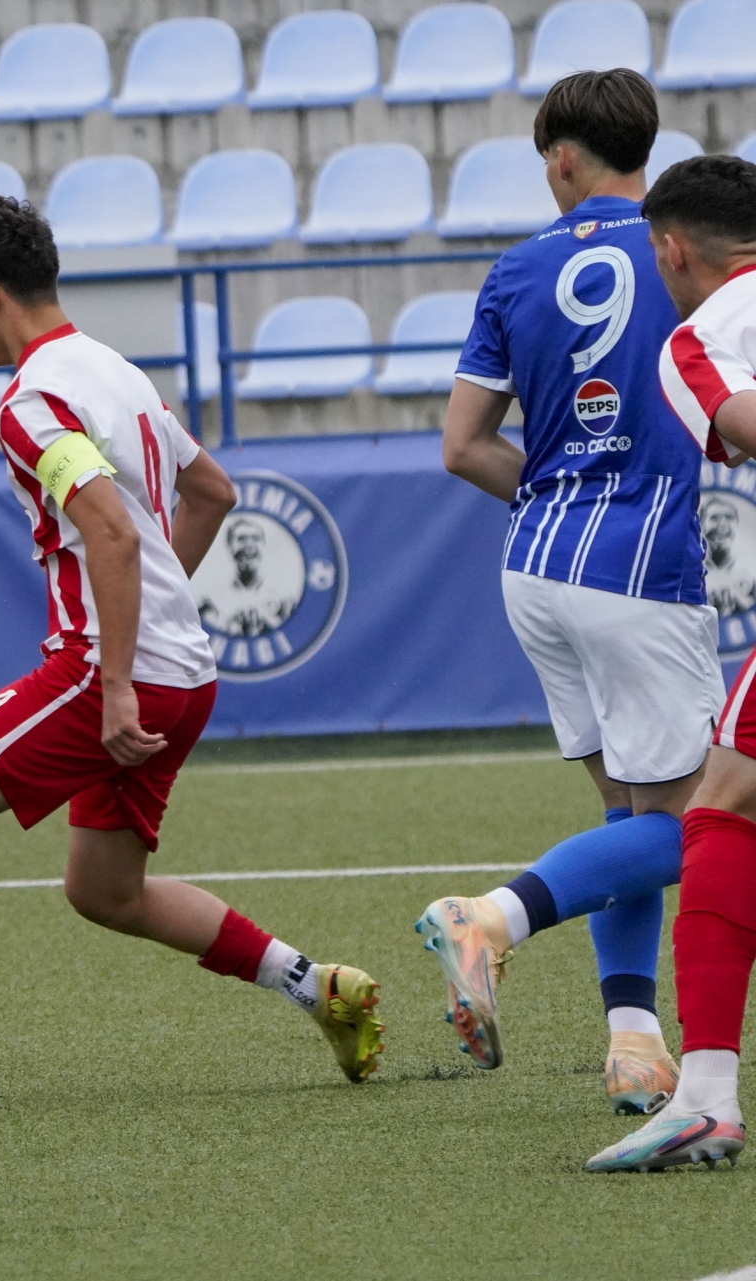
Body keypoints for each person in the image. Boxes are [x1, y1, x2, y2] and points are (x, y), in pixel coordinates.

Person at [0, 195, 386, 1115]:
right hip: (184, 674)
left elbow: (113, 536)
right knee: (105, 888)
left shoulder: (32, 400)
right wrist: (154, 622)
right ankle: (314, 984)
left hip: (108, 673)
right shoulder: (117, 372)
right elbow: (213, 491)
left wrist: (117, 678)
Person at [422, 70, 718, 1112]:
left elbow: (463, 445)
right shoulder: (684, 251)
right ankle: (491, 918)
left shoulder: (514, 269)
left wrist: (559, 496)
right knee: (706, 823)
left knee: (626, 813)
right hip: (641, 566)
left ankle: (634, 1043)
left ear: (560, 159)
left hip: (536, 563)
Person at [588, 153, 756, 1172]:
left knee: (720, 807)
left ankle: (705, 1100)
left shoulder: (702, 334)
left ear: (671, 249)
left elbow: (741, 424)